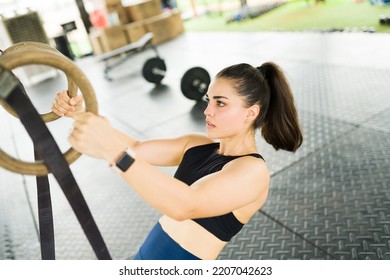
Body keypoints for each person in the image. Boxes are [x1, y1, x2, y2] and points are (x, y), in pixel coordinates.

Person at [52, 62, 303, 260]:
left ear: (251, 112)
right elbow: (135, 149)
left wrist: (114, 151)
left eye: (220, 103)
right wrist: (79, 114)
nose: (207, 111)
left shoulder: (253, 171)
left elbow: (186, 205)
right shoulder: (195, 145)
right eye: (209, 100)